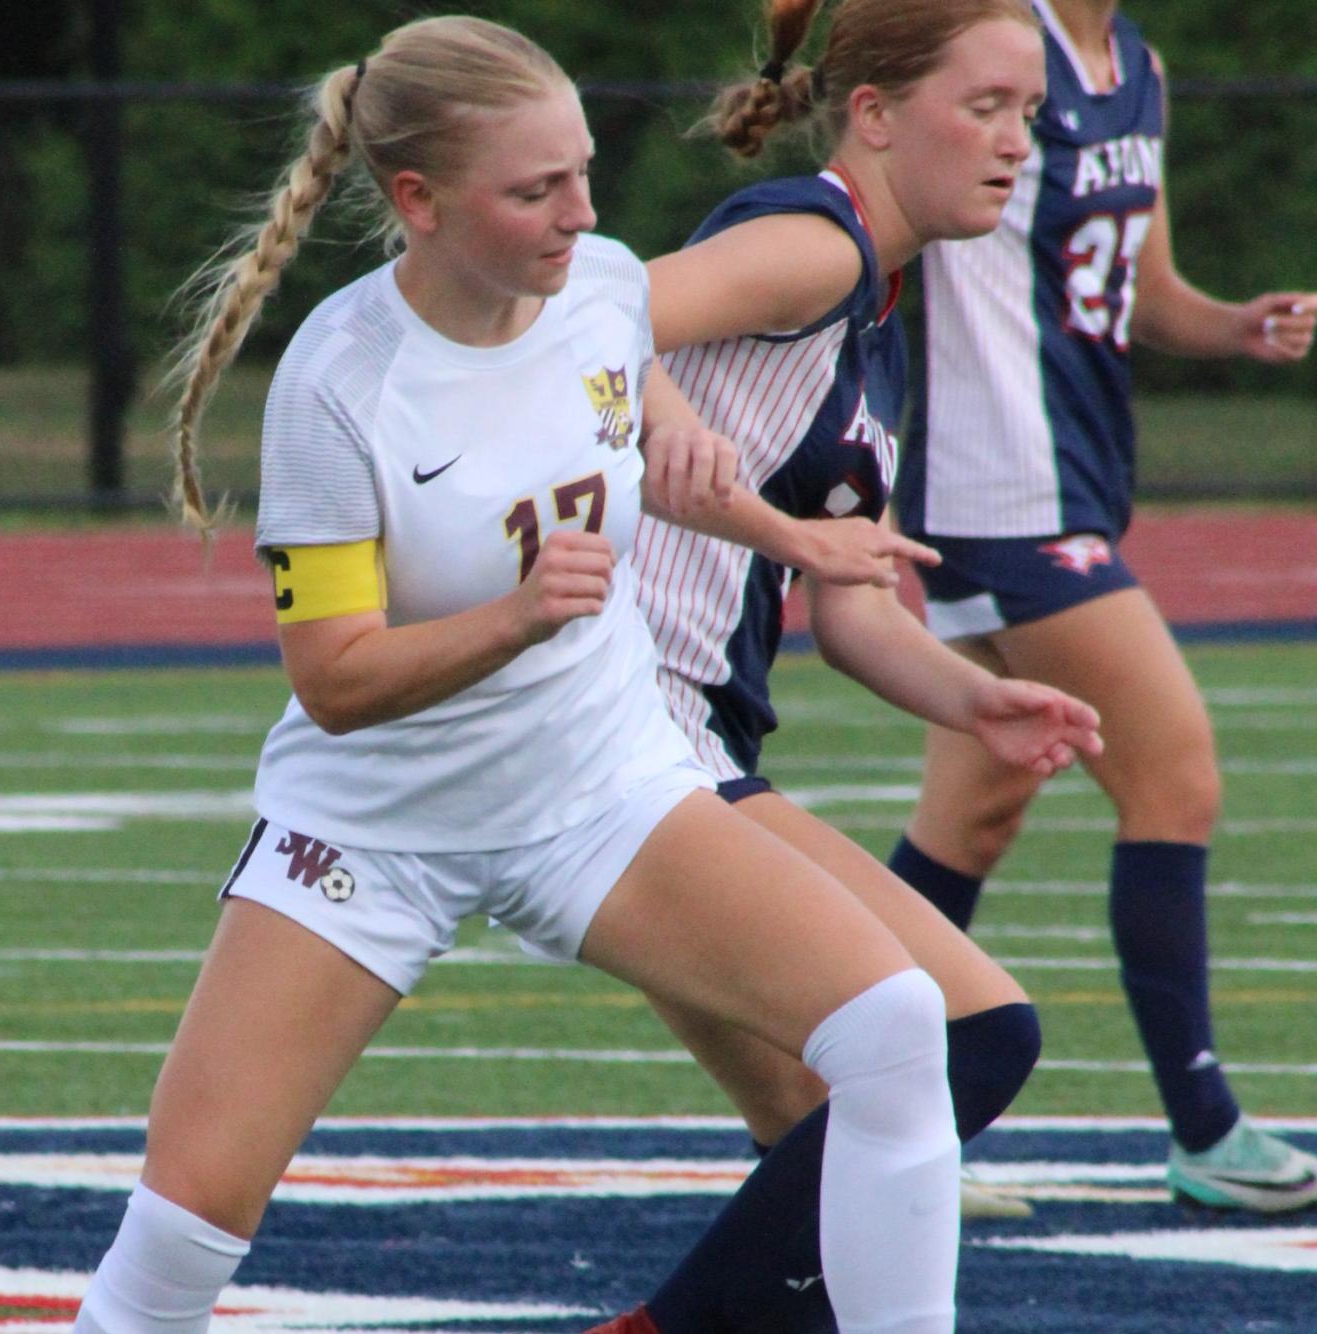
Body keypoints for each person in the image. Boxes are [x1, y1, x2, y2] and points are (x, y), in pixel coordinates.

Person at [74, 17, 970, 1334]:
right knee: (183, 1227)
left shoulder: (601, 289)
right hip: (377, 828)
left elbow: (649, 437)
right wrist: (514, 616)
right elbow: (334, 678)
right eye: (535, 189)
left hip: (599, 786)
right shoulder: (339, 380)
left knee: (893, 1025)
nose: (580, 213)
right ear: (418, 202)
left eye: (583, 172)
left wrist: (782, 531)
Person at [569, 5, 1100, 1328]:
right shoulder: (813, 247)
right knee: (974, 1036)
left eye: (1027, 116)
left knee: (825, 1157)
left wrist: (973, 696)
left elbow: (848, 601)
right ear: (872, 115)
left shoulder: (875, 310)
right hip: (631, 733)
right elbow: (585, 301)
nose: (1012, 144)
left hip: (680, 740)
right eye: (982, 107)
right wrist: (669, 407)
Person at [884, 0, 1317, 1214]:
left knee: (972, 816)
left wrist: (1233, 327)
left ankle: (846, 1118)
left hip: (1071, 477)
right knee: (1173, 772)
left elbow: (1144, 288)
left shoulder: (1142, 68)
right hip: (1000, 488)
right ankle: (1207, 1125)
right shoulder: (990, 43)